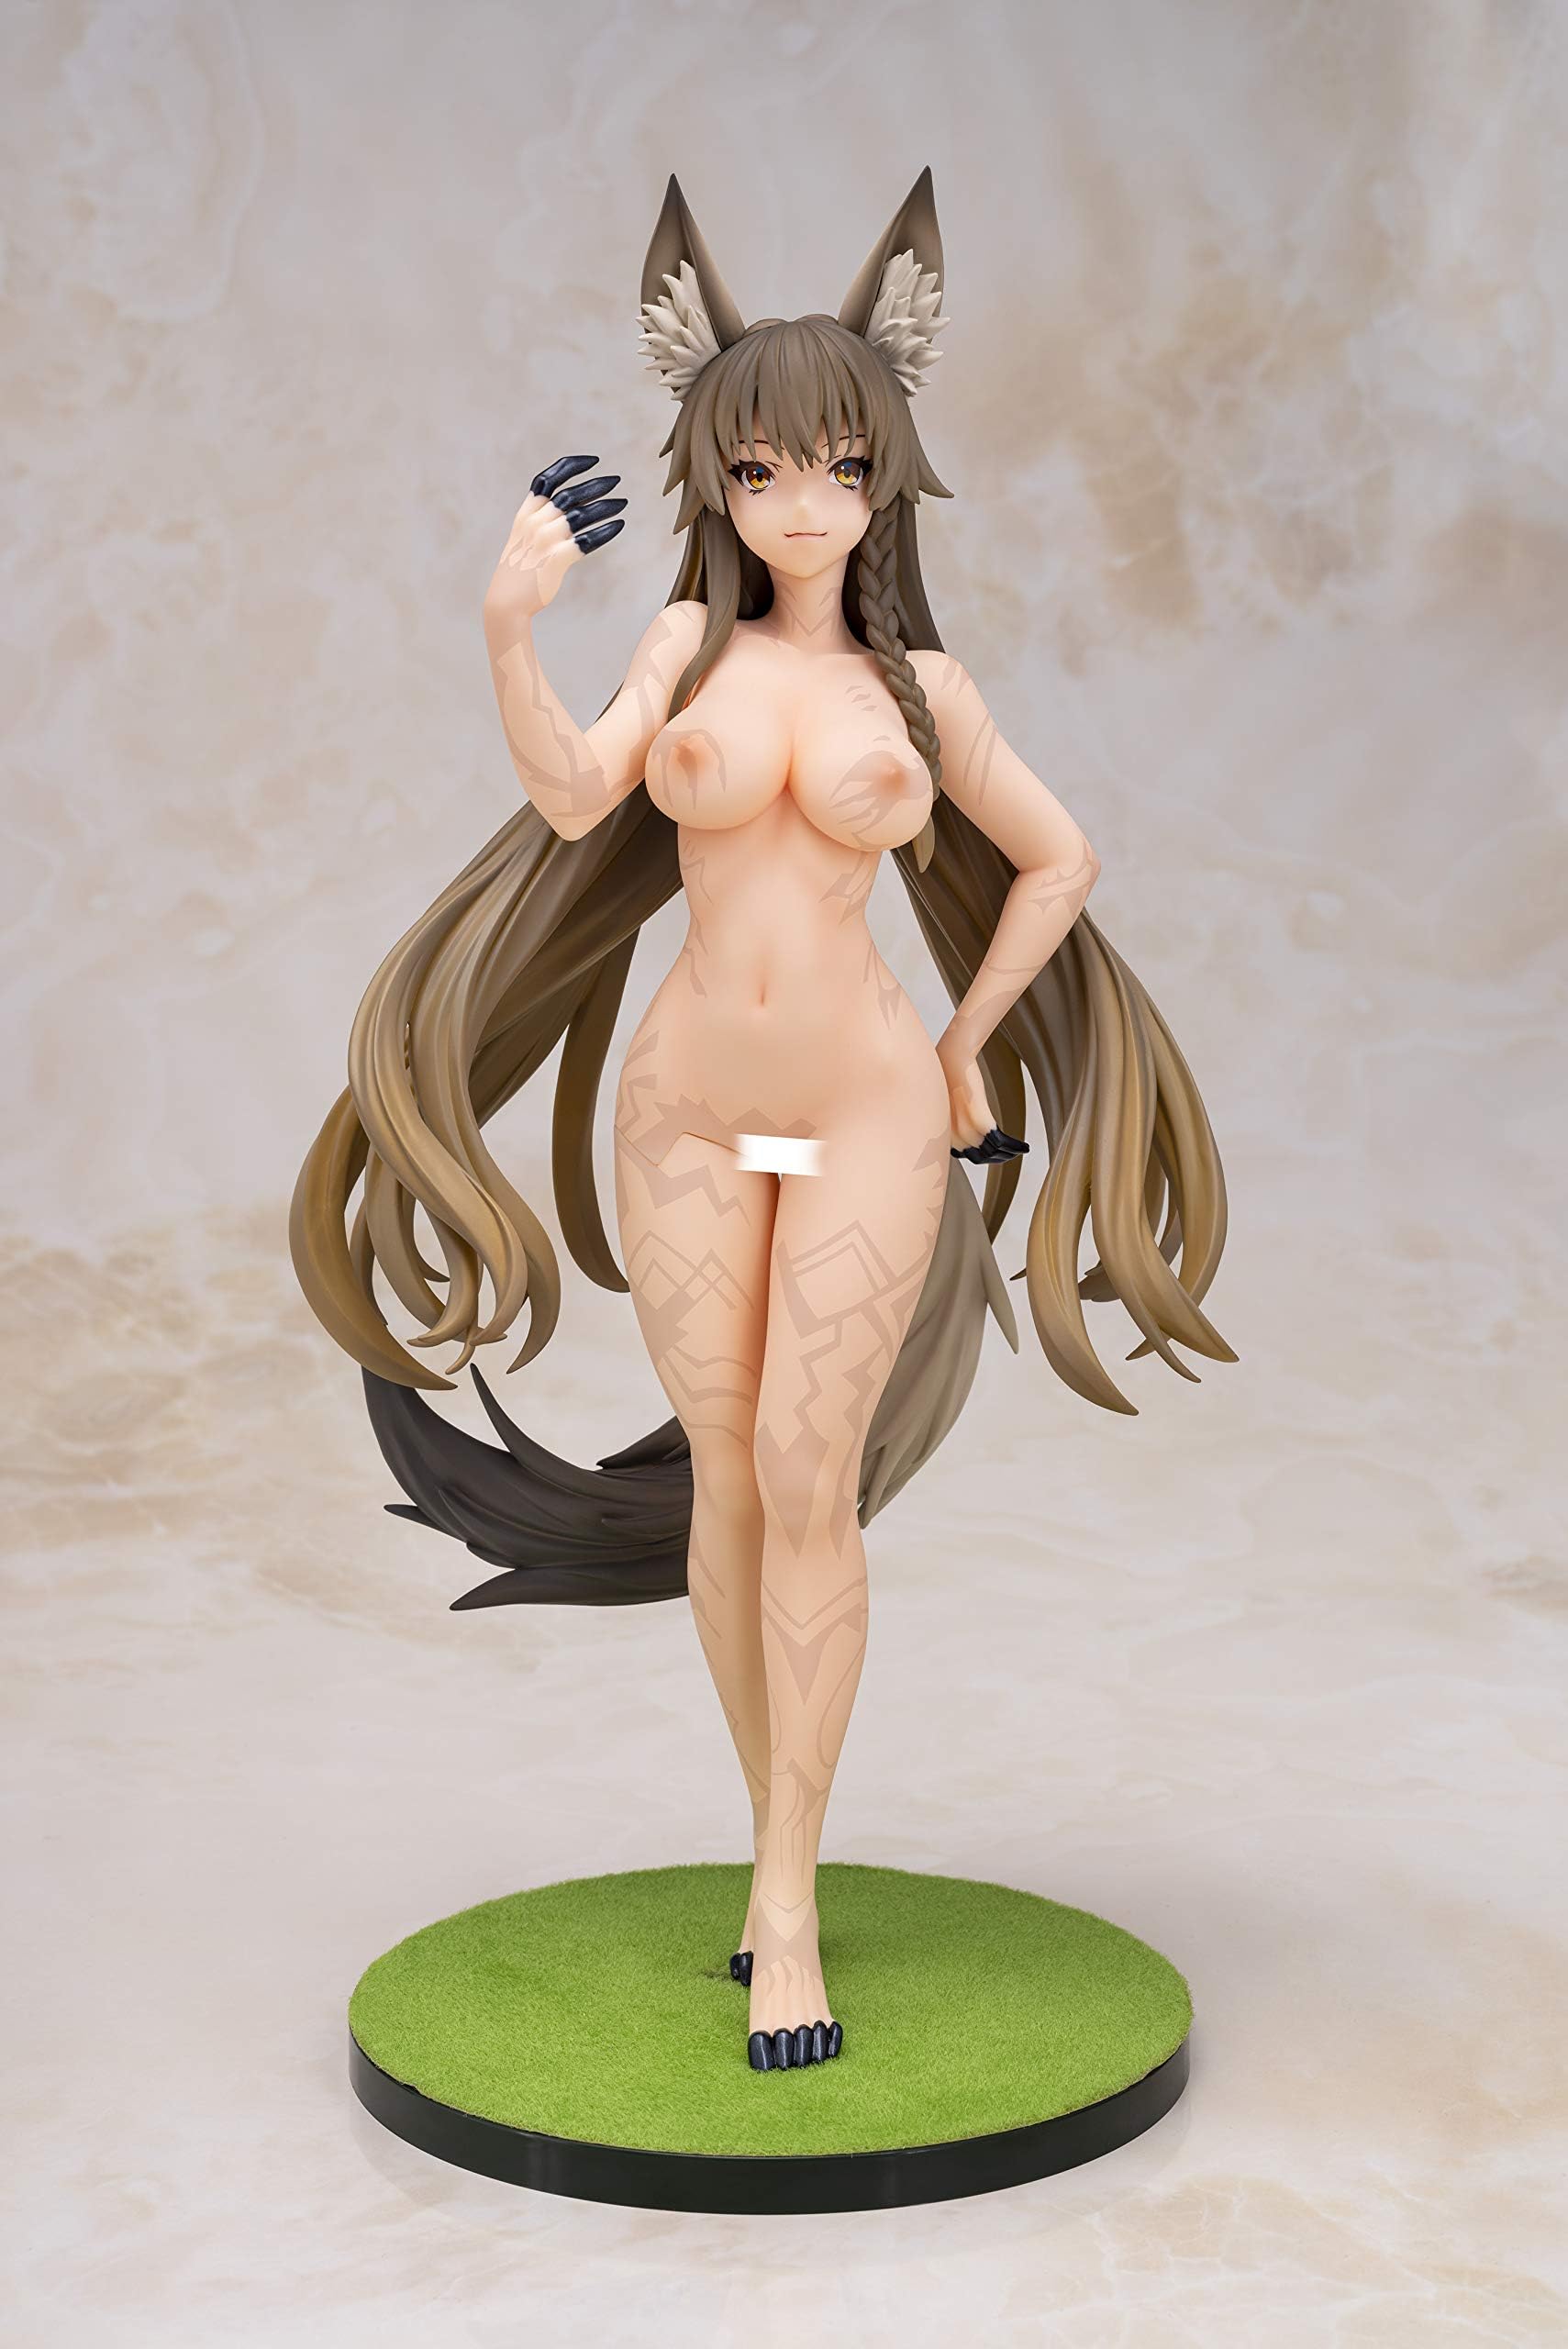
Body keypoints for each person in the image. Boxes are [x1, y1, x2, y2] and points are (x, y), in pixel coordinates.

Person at [290, 170, 1237, 2076]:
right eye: (760, 471)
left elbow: (1057, 858)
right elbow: (576, 799)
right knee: (729, 1483)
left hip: (868, 1106)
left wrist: (969, 1041)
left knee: (812, 1483)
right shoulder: (681, 653)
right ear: (714, 481)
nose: (803, 504)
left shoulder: (922, 686)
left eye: (839, 468)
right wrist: (507, 626)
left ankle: (787, 1904)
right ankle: (769, 1856)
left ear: (885, 479)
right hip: (688, 1115)